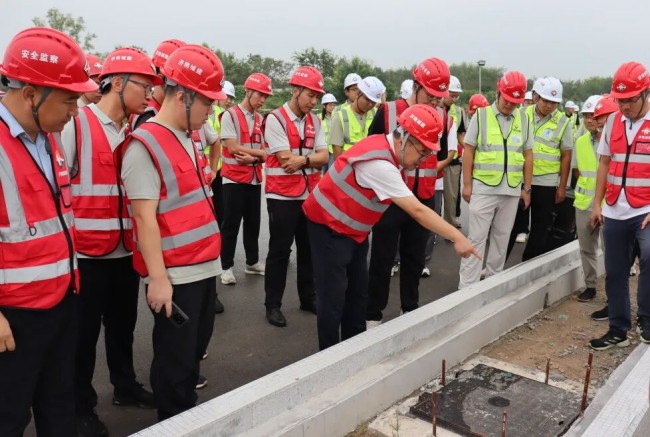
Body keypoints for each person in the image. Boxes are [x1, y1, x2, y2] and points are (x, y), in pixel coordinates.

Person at [303, 104, 479, 350]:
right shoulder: (380, 164)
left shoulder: (389, 153)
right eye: (422, 152)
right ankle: (328, 357)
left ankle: (354, 350)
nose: (423, 160)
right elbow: (417, 210)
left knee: (357, 295)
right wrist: (457, 237)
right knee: (333, 298)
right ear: (404, 138)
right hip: (328, 227)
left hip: (353, 231)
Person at [116, 44, 224, 420]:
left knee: (193, 353)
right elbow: (144, 219)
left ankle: (184, 414)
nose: (211, 110)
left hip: (203, 265)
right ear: (183, 96)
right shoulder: (144, 145)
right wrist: (158, 279)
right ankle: (173, 421)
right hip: (177, 275)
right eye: (207, 102)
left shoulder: (187, 136)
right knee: (175, 361)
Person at [0, 26, 96, 437]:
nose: (76, 110)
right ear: (30, 94)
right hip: (13, 318)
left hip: (61, 301)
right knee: (8, 417)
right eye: (69, 99)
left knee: (59, 408)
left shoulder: (48, 138)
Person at [61, 46, 160, 436]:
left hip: (123, 251)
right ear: (117, 83)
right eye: (143, 86)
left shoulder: (132, 131)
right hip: (86, 254)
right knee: (83, 335)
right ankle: (79, 406)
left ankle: (125, 385)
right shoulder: (77, 124)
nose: (149, 94)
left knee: (123, 325)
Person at [365, 57, 452, 325]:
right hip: (390, 200)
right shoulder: (388, 111)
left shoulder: (442, 116)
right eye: (430, 95)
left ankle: (409, 309)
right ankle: (372, 314)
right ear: (416, 85)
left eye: (439, 97)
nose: (434, 102)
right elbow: (371, 148)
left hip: (423, 197)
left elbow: (441, 155)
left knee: (414, 260)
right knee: (382, 259)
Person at [589, 62, 650, 350]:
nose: (625, 106)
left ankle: (646, 320)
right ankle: (618, 329)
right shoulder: (613, 122)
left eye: (631, 100)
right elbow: (604, 162)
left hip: (645, 210)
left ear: (646, 93)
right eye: (620, 100)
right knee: (615, 270)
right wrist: (597, 204)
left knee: (649, 259)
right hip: (614, 208)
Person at [262, 66, 329, 327]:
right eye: (310, 95)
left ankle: (308, 298)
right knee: (280, 251)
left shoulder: (316, 121)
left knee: (308, 249)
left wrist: (304, 160)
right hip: (282, 196)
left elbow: (323, 157)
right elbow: (284, 159)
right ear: (295, 90)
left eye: (317, 97)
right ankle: (273, 305)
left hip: (309, 195)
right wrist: (311, 159)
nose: (313, 101)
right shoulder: (275, 119)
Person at [458, 71, 534, 288]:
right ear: (499, 92)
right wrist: (467, 184)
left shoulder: (524, 119)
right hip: (483, 188)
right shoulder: (481, 116)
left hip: (511, 190)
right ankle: (467, 288)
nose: (510, 105)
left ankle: (493, 284)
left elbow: (528, 154)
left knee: (502, 239)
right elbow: (469, 151)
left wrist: (526, 188)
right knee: (476, 239)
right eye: (507, 99)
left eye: (515, 102)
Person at [219, 73, 273, 285]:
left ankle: (252, 262)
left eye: (266, 96)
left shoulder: (260, 119)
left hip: (253, 177)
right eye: (260, 95)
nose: (263, 100)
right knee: (231, 224)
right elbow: (232, 148)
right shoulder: (230, 115)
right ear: (248, 91)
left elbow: (266, 153)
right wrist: (259, 154)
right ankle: (225, 267)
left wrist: (255, 158)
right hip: (233, 179)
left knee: (253, 223)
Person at [511, 77, 573, 261]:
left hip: (546, 182)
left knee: (540, 227)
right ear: (536, 97)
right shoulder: (521, 114)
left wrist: (562, 187)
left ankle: (528, 265)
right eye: (546, 101)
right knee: (511, 225)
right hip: (520, 179)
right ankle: (495, 268)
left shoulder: (563, 122)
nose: (549, 106)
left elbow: (566, 156)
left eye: (554, 103)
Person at [573, 96, 615, 303]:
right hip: (584, 203)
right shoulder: (580, 142)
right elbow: (576, 170)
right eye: (586, 116)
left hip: (609, 206)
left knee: (610, 251)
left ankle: (612, 292)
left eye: (594, 115)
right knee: (587, 248)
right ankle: (590, 286)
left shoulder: (615, 141)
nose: (590, 120)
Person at [330, 76, 385, 160]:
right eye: (367, 99)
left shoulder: (377, 114)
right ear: (358, 93)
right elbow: (337, 152)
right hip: (350, 166)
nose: (370, 104)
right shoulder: (340, 116)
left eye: (374, 102)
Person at [442, 75, 467, 229]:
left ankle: (449, 225)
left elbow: (460, 135)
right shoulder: (434, 108)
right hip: (435, 160)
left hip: (452, 161)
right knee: (432, 196)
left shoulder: (458, 112)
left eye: (457, 96)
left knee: (452, 196)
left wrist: (470, 148)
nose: (454, 99)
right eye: (452, 95)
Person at [319, 92, 337, 172]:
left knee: (331, 170)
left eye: (333, 105)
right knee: (323, 171)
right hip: (322, 149)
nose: (332, 107)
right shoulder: (319, 118)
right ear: (324, 106)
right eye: (330, 105)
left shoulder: (337, 117)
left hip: (333, 148)